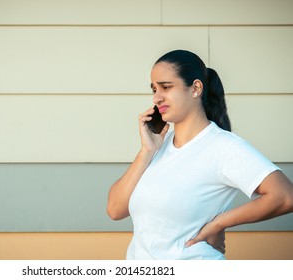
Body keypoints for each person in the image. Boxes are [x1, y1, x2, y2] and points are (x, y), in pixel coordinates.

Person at [106, 49, 293, 260]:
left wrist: (219, 223)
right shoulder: (158, 146)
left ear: (195, 88)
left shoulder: (224, 147)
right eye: (154, 89)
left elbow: (285, 196)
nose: (157, 98)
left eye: (166, 87)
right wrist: (146, 151)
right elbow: (115, 210)